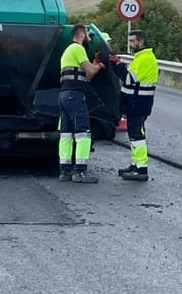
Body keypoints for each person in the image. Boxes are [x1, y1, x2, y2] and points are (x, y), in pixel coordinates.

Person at [57, 23, 104, 182]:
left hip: (64, 95)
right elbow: (90, 71)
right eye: (88, 34)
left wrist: (93, 67)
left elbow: (86, 77)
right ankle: (80, 172)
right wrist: (97, 66)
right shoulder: (77, 48)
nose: (89, 37)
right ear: (82, 34)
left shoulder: (68, 51)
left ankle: (65, 171)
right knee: (83, 133)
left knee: (66, 135)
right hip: (74, 96)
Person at [113, 29, 159, 181]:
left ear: (141, 42)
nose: (130, 44)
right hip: (136, 103)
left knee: (137, 136)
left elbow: (128, 79)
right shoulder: (141, 57)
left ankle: (141, 169)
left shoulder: (144, 58)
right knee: (134, 135)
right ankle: (135, 165)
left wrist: (117, 64)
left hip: (138, 103)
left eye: (133, 41)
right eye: (129, 41)